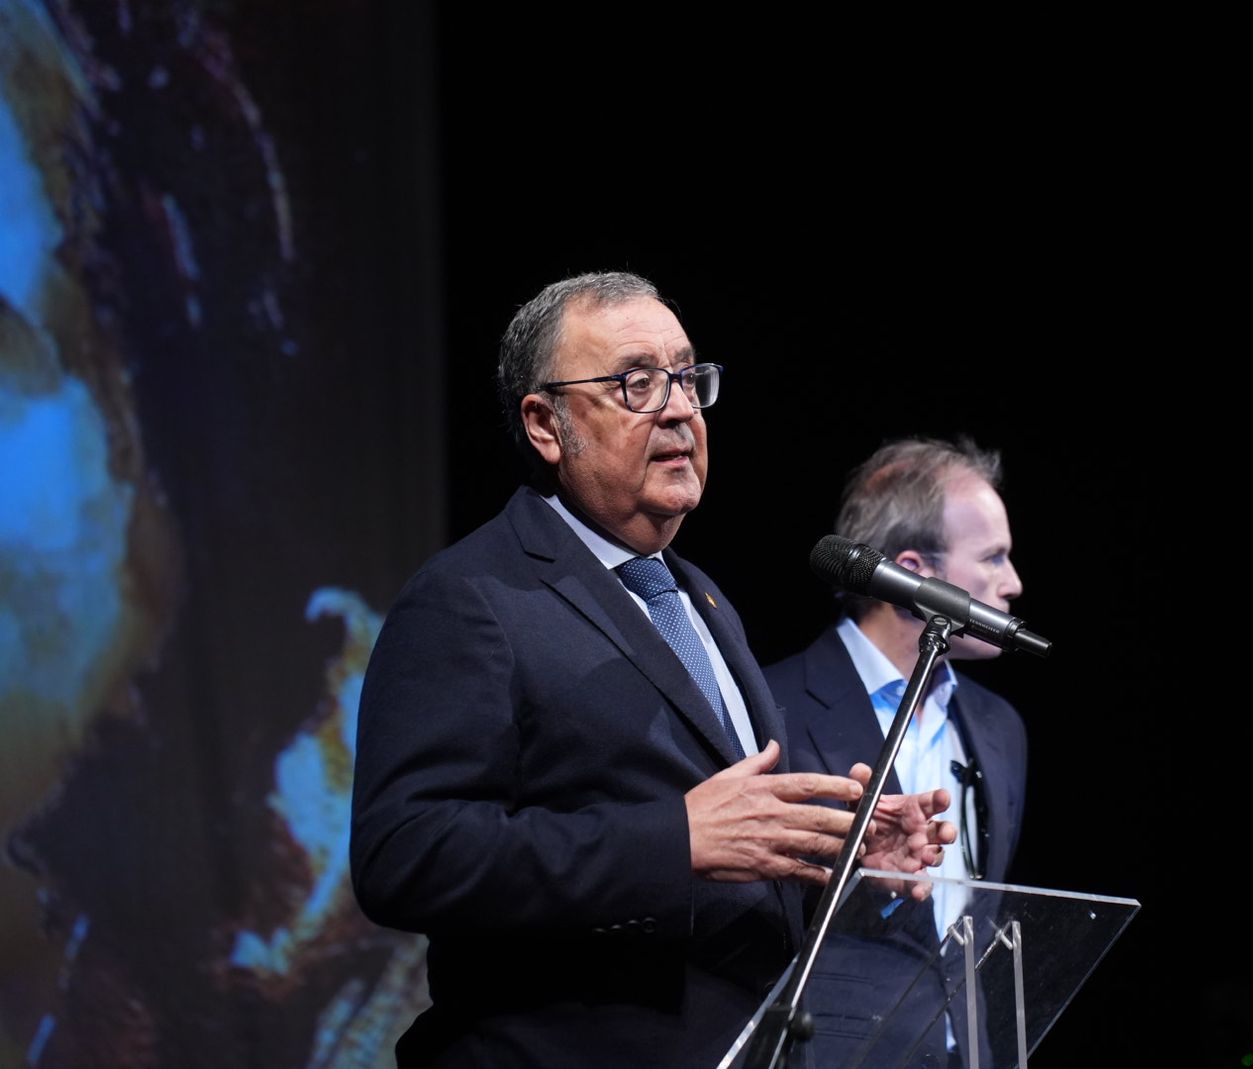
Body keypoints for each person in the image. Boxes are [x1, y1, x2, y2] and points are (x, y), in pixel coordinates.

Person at [348, 272, 956, 1068]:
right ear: (545, 424)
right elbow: (406, 854)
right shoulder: (472, 597)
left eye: (688, 377)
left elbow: (730, 859)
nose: (678, 409)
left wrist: (838, 856)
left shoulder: (701, 598)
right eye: (636, 383)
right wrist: (674, 840)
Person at [763, 436, 1030, 1066]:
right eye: (992, 558)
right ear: (917, 573)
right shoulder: (772, 707)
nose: (1014, 583)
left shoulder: (999, 726)